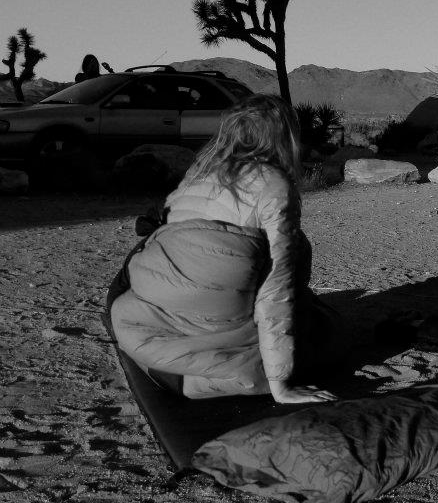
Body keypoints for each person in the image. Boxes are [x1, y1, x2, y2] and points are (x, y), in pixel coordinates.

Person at [110, 94, 340, 404]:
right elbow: (277, 289)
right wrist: (280, 384)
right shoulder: (274, 186)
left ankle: (176, 366)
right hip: (218, 317)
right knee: (326, 331)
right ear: (285, 137)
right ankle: (210, 371)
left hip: (148, 321)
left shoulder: (200, 172)